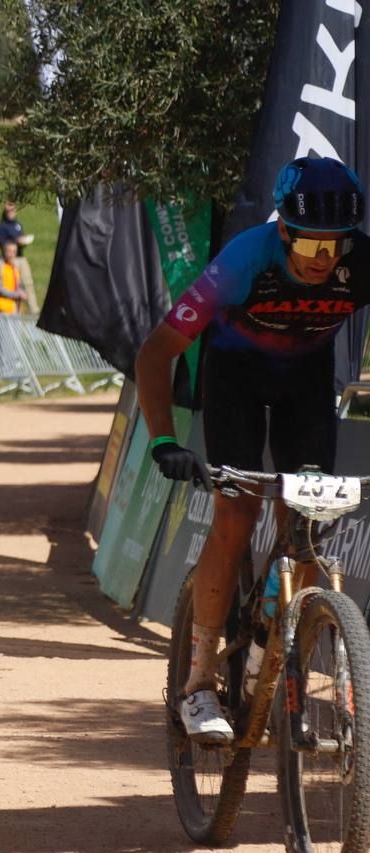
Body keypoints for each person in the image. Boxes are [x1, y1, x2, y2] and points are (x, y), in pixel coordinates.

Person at [136, 155, 370, 744]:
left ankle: (271, 650)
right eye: (310, 248)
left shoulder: (360, 261)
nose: (323, 263)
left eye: (334, 249)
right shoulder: (245, 258)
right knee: (235, 517)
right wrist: (164, 439)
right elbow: (156, 351)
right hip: (236, 380)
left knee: (310, 527)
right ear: (284, 231)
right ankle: (199, 683)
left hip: (307, 384)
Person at [0, 240, 28, 315]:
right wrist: (17, 294)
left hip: (13, 308)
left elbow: (17, 285)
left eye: (14, 252)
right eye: (9, 251)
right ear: (3, 252)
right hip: (1, 309)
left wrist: (21, 293)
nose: (11, 254)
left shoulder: (14, 268)